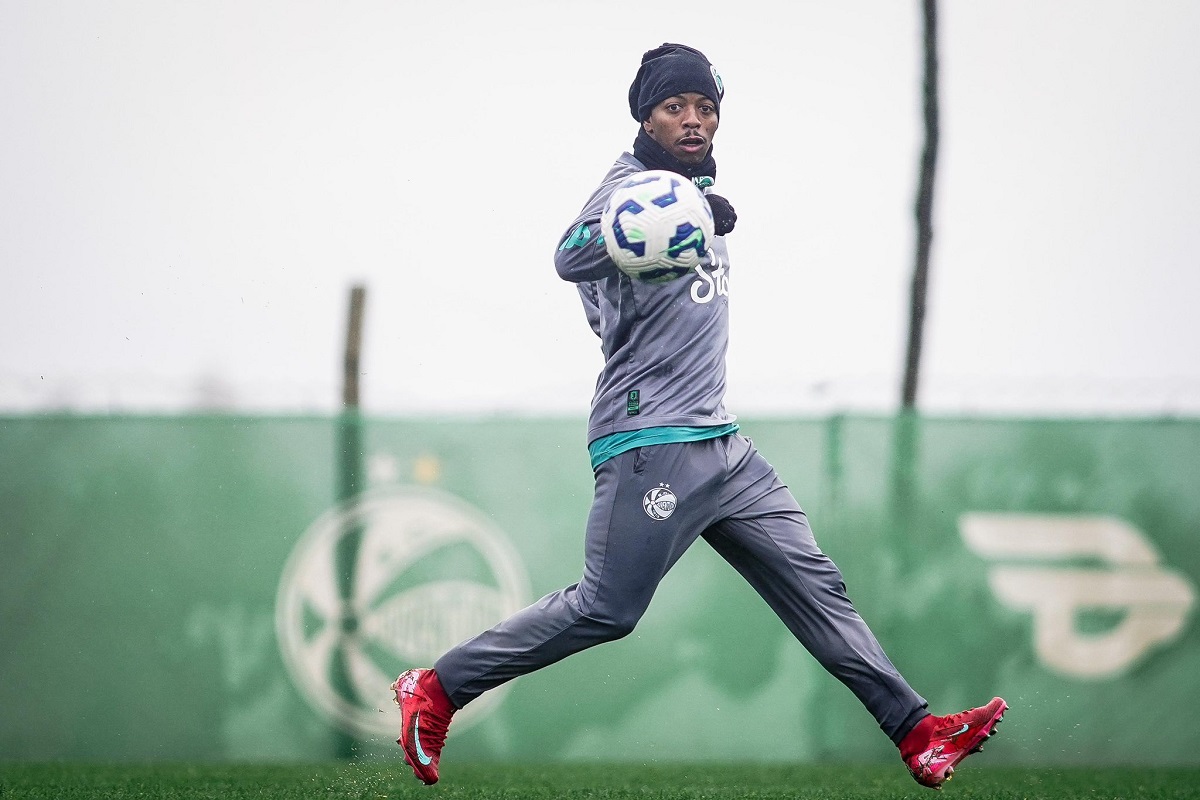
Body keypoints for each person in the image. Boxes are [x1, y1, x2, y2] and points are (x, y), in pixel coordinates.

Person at [392, 42, 1006, 790]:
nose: (693, 120)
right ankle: (439, 688)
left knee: (817, 586)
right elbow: (569, 254)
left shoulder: (694, 189)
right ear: (645, 115)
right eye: (675, 106)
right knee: (607, 610)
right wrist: (683, 209)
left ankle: (917, 733)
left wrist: (695, 205)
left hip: (723, 446)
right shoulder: (630, 185)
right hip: (651, 441)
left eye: (705, 108)